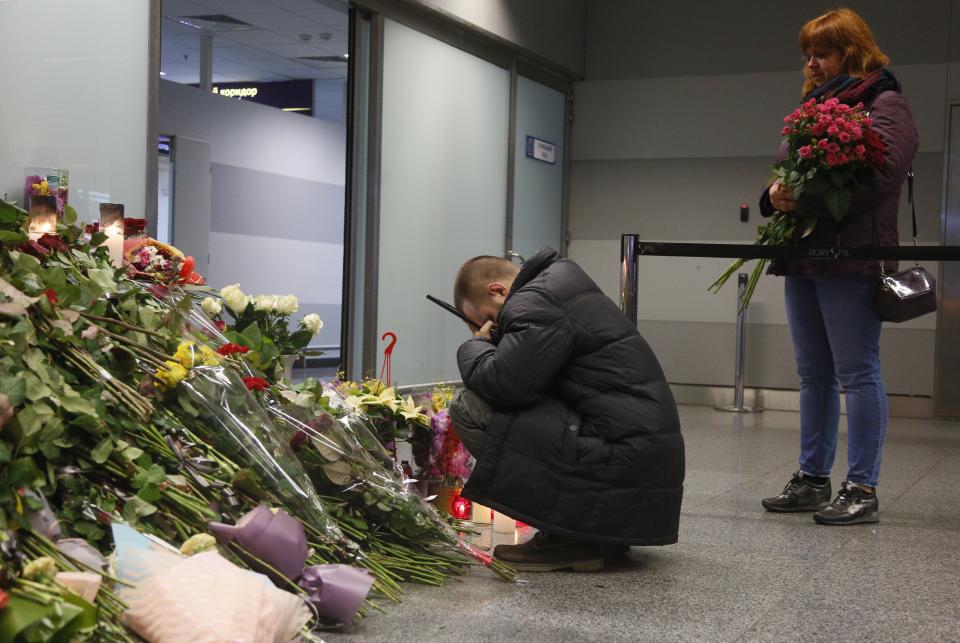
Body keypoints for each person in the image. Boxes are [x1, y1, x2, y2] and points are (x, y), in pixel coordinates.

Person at [759, 8, 918, 524]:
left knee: (856, 370)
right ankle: (811, 478)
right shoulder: (811, 105)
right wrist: (773, 194)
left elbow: (882, 178)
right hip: (804, 254)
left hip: (852, 256)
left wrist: (802, 198)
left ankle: (862, 487)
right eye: (808, 53)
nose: (812, 62)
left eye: (822, 52)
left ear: (852, 50)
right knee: (813, 373)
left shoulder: (886, 103)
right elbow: (788, 169)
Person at [448, 248, 685, 571]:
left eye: (488, 318)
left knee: (469, 407)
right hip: (638, 457)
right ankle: (595, 533)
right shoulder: (558, 285)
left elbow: (507, 386)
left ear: (498, 290)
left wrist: (474, 345)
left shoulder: (534, 301)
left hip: (624, 455)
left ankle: (568, 537)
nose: (491, 327)